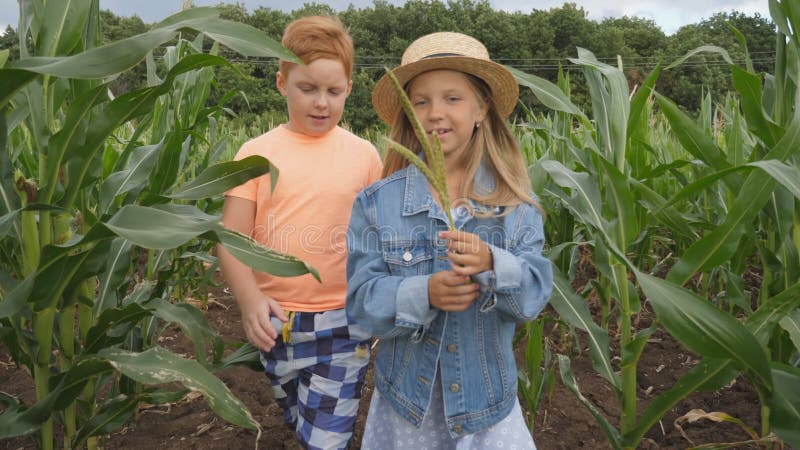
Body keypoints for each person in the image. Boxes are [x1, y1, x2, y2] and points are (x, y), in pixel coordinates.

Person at [345, 31, 553, 449]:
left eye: (452, 98)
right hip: (407, 410)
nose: (435, 113)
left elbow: (533, 297)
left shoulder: (515, 206)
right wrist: (424, 292)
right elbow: (362, 304)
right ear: (407, 114)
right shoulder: (376, 203)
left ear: (482, 108)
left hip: (486, 407)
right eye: (420, 101)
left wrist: (494, 263)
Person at [218, 15, 383, 450]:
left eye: (334, 91)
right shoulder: (255, 154)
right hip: (276, 325)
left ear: (350, 88)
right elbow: (230, 237)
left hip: (345, 323)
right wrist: (250, 299)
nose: (321, 103)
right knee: (299, 420)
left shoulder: (364, 156)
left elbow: (382, 236)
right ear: (281, 83)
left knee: (325, 439)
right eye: (307, 89)